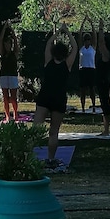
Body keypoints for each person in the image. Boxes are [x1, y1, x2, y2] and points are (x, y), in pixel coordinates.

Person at [34, 24, 78, 169]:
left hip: (45, 97)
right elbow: (75, 47)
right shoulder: (67, 64)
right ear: (65, 53)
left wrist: (58, 31)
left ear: (53, 52)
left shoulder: (48, 61)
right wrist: (67, 32)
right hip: (59, 99)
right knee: (54, 132)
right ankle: (50, 159)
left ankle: (27, 156)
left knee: (35, 129)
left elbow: (48, 43)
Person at [0, 19, 19, 122]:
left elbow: (15, 40)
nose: (7, 46)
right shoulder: (3, 53)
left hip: (13, 76)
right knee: (5, 98)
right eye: (6, 44)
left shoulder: (14, 53)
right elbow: (0, 40)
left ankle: (15, 114)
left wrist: (11, 29)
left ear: (10, 45)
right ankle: (7, 115)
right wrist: (4, 28)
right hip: (4, 75)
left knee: (13, 98)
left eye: (8, 44)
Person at [78, 15, 97, 112]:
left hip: (91, 69)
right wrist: (83, 22)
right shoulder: (81, 48)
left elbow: (95, 35)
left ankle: (93, 106)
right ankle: (82, 107)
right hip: (83, 70)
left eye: (88, 40)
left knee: (92, 89)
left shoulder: (92, 48)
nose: (87, 41)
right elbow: (79, 34)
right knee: (83, 90)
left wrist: (91, 23)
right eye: (85, 40)